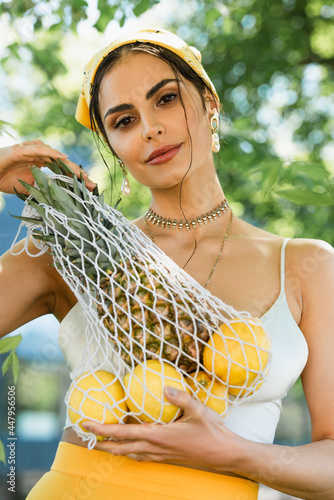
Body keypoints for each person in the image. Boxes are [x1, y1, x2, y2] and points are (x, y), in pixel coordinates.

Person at [0, 27, 333, 500]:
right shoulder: (72, 255)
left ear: (210, 103)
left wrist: (233, 453)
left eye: (166, 99)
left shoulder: (307, 266)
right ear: (113, 147)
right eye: (123, 121)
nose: (149, 128)